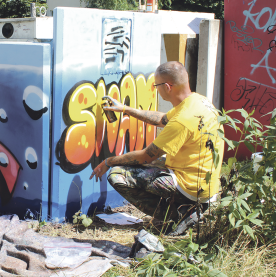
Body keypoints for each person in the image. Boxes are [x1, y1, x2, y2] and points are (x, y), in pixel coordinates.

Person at [90, 61, 224, 231]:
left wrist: (109, 161)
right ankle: (188, 209)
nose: (155, 89)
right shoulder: (198, 102)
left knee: (117, 174)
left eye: (156, 85)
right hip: (205, 183)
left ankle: (179, 215)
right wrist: (125, 109)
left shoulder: (183, 120)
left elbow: (145, 156)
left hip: (191, 188)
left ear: (167, 87)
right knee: (147, 163)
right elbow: (162, 119)